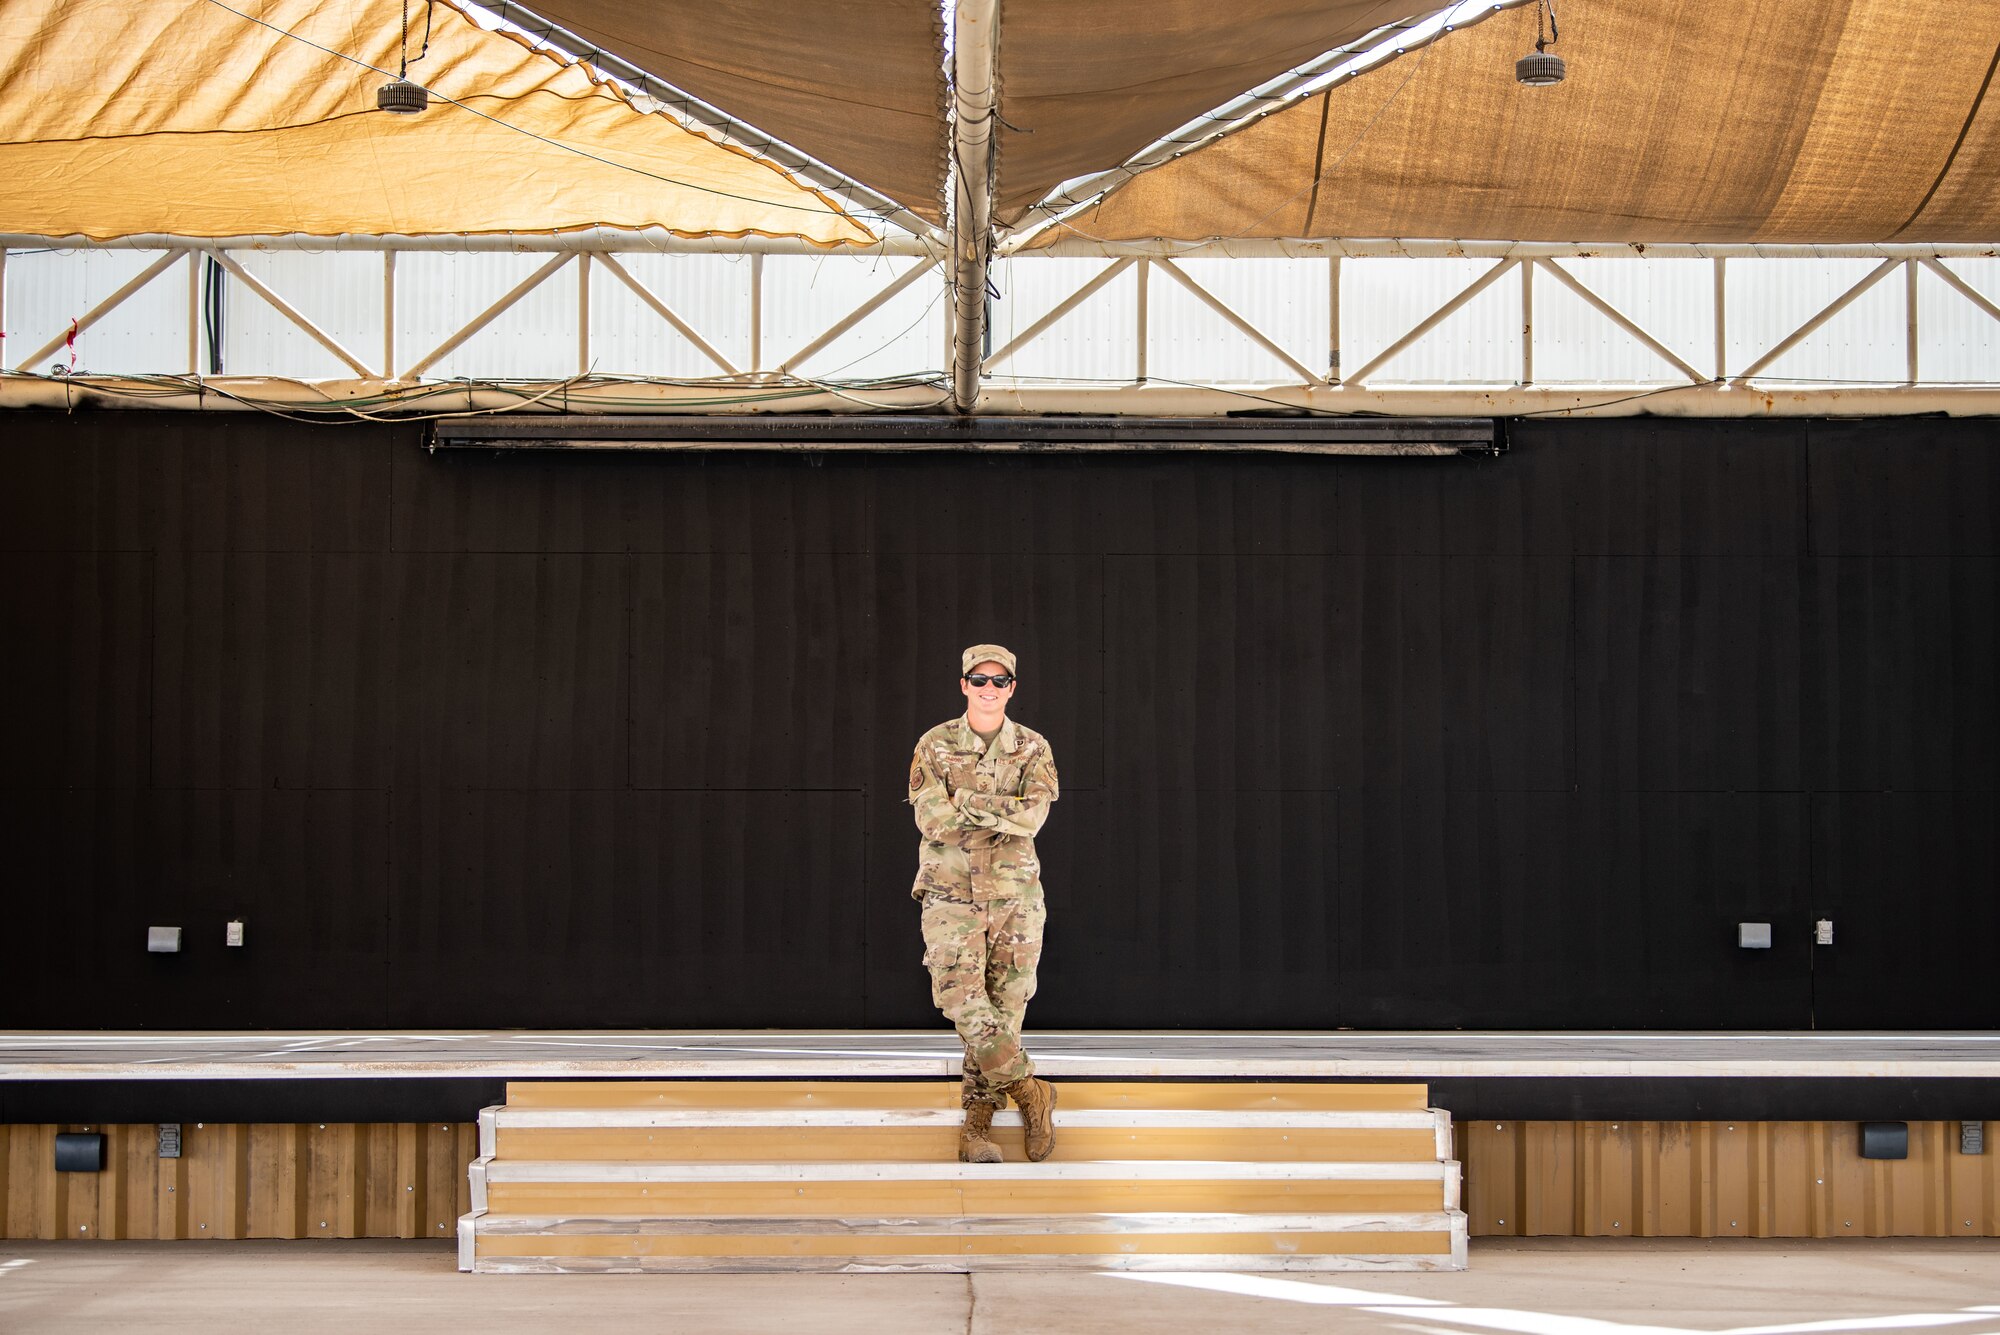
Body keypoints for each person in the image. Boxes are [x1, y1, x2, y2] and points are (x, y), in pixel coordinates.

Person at [906, 644, 1061, 1163]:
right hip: (950, 895)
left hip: (1016, 899)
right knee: (960, 999)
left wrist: (967, 803)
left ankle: (977, 1123)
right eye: (979, 679)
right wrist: (1001, 813)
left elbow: (1033, 818)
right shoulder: (934, 744)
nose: (988, 689)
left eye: (999, 681)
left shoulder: (1034, 748)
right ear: (964, 684)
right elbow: (933, 821)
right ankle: (1030, 1091)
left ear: (1012, 688)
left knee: (1005, 1011)